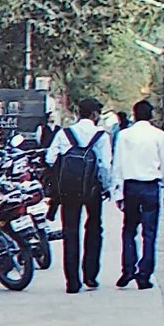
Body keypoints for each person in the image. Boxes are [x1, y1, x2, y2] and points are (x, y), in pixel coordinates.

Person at [44, 98, 115, 293]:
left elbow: (50, 159)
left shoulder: (64, 133)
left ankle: (72, 282)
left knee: (70, 231)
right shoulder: (101, 136)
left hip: (68, 190)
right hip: (92, 190)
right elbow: (105, 166)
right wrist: (106, 187)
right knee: (94, 229)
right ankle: (90, 276)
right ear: (94, 115)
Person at [114, 98, 164, 289]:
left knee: (129, 230)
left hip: (131, 186)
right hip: (151, 187)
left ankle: (127, 270)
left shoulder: (125, 135)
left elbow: (117, 164)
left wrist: (117, 193)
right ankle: (144, 275)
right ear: (151, 115)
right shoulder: (159, 136)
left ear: (134, 114)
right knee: (149, 233)